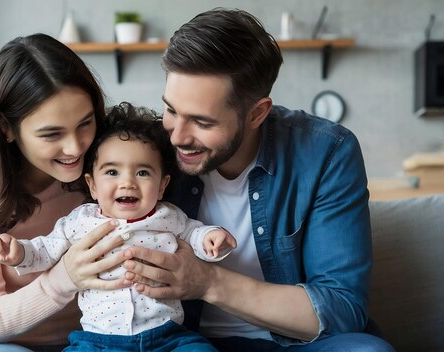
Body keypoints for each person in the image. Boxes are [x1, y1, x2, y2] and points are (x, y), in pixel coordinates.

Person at [120, 8, 395, 351]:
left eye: (202, 122)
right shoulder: (149, 150)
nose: (176, 136)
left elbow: (342, 311)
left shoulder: (326, 152)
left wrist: (206, 282)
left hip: (294, 344)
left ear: (257, 114)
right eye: (171, 110)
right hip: (182, 343)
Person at [0, 33, 131, 352]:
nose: (75, 147)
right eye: (51, 134)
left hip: (84, 344)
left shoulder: (106, 171)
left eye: (85, 123)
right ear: (6, 127)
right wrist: (66, 276)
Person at [0, 103, 237, 352]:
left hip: (167, 337)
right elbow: (46, 250)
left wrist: (210, 238)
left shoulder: (168, 216)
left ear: (162, 185)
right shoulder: (79, 221)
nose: (127, 182)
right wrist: (18, 253)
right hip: (97, 339)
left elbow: (193, 233)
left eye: (143, 173)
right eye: (113, 172)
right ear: (92, 185)